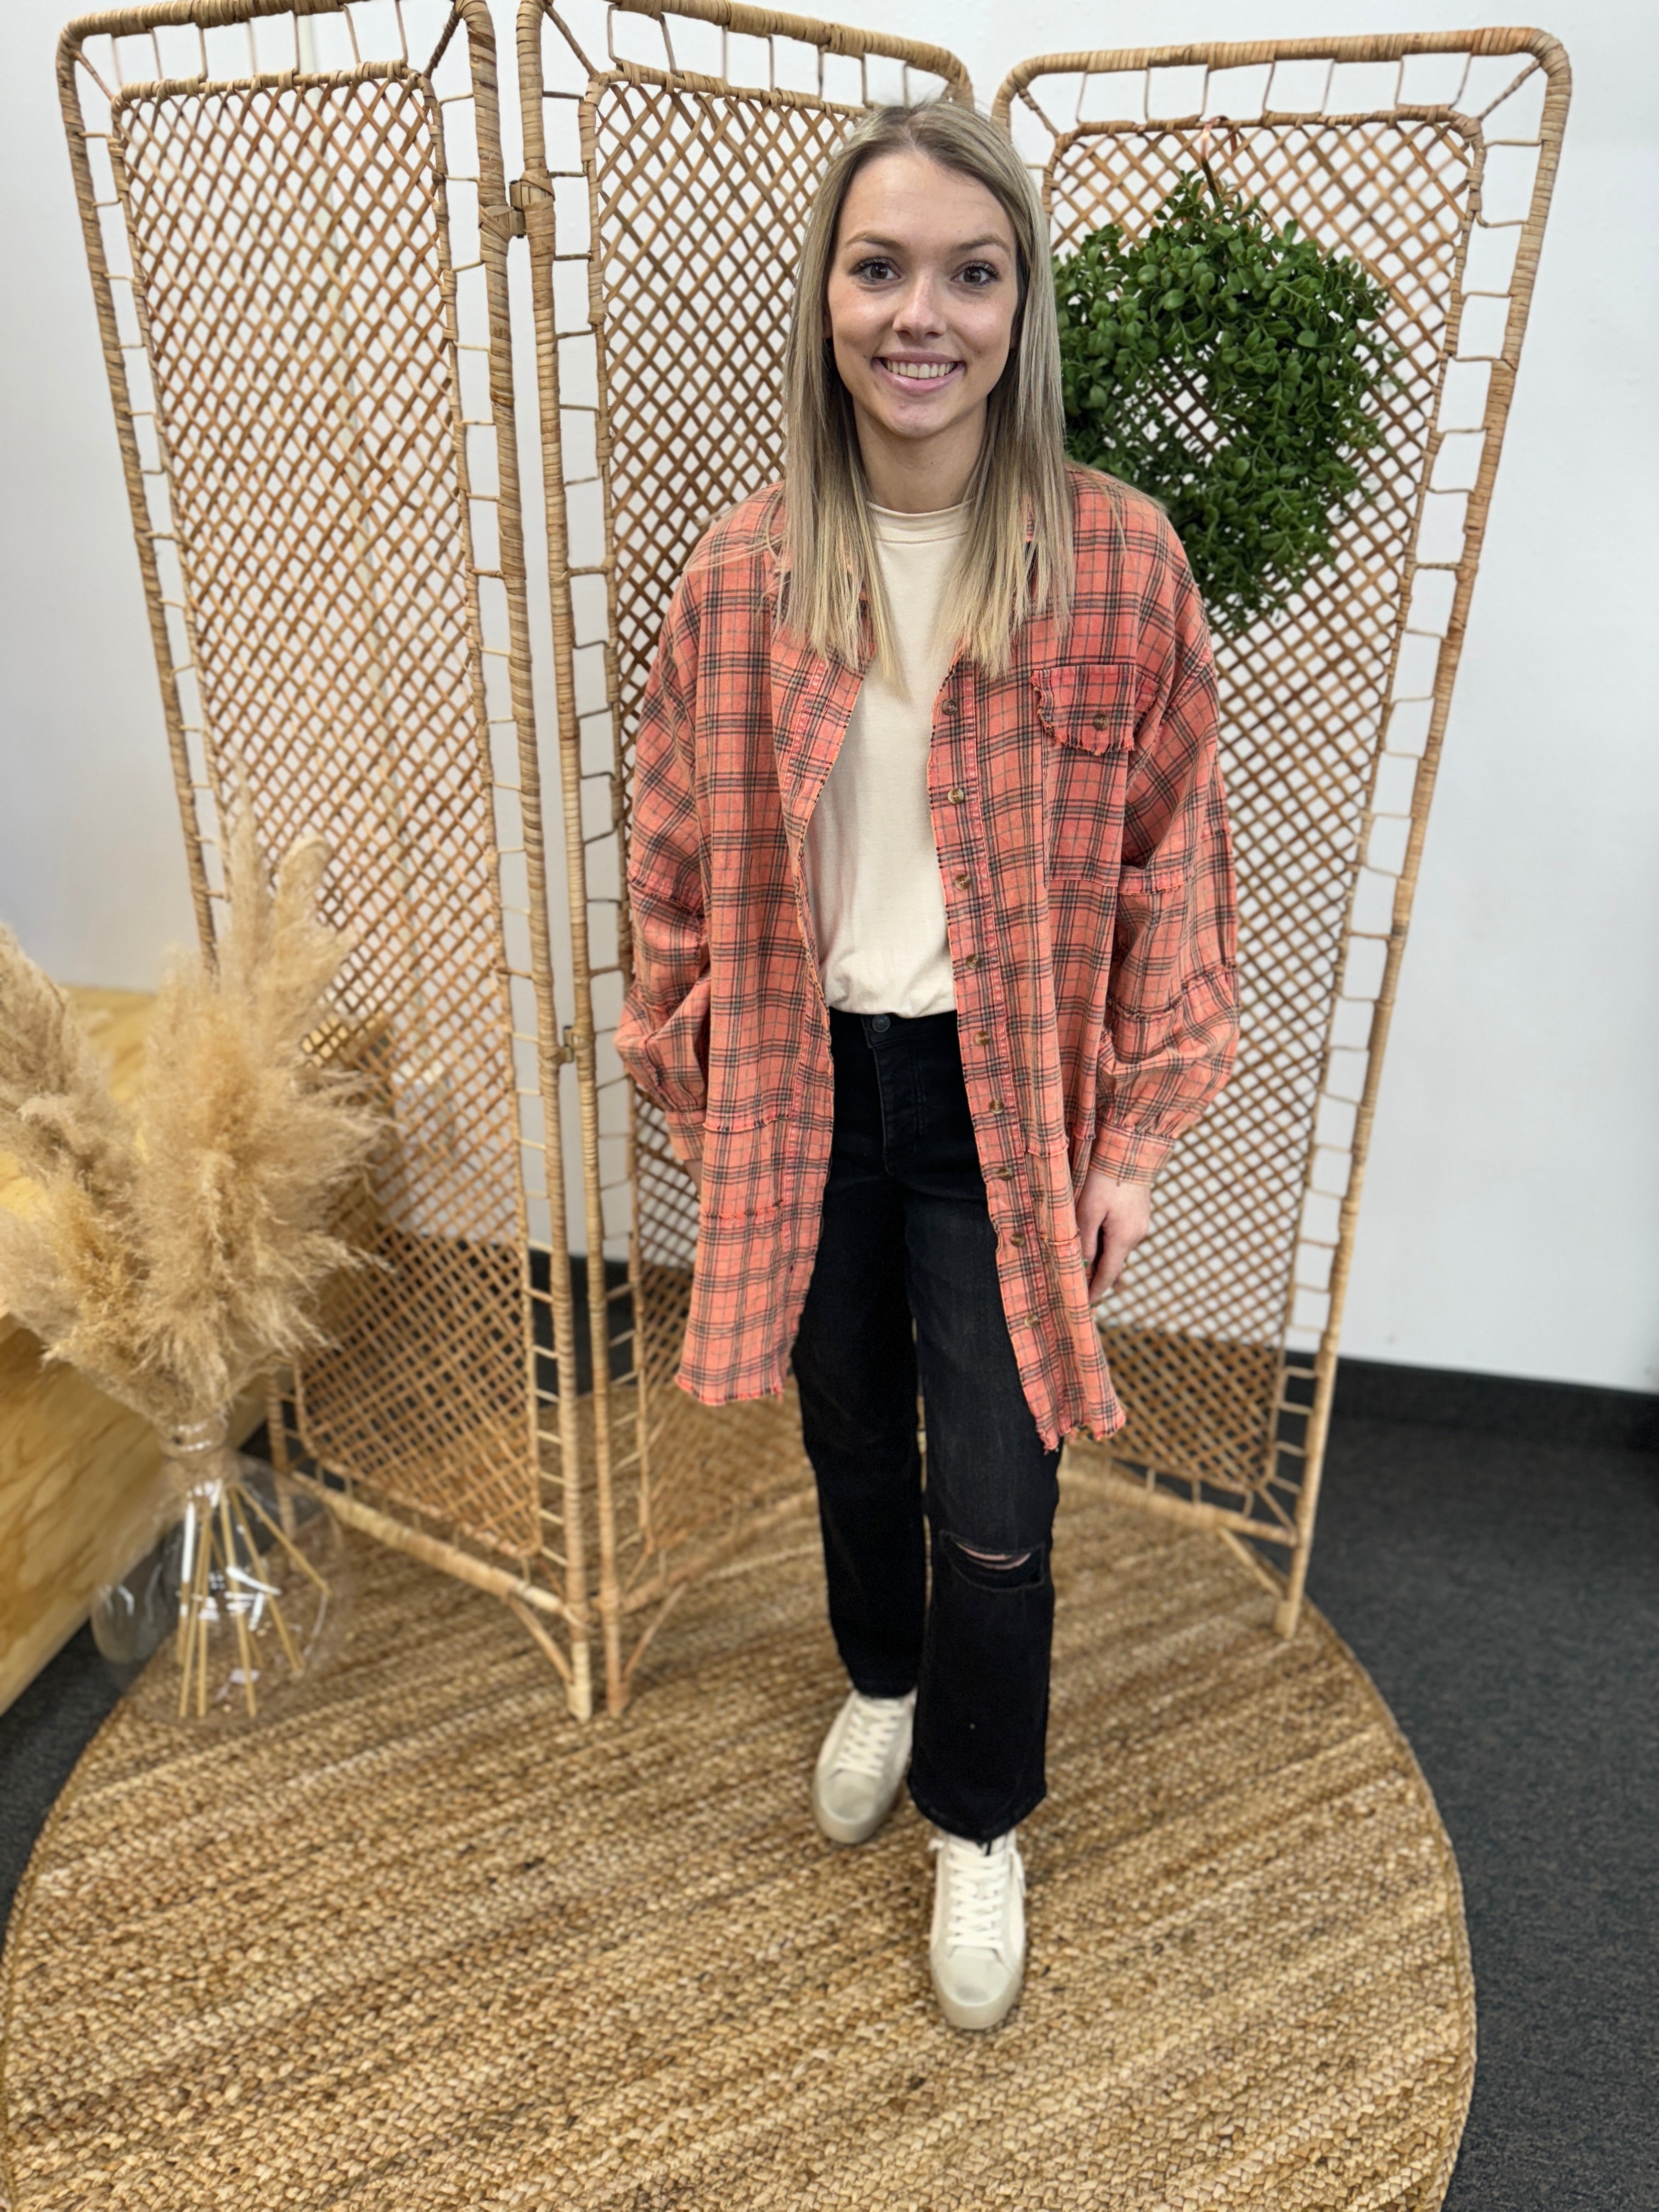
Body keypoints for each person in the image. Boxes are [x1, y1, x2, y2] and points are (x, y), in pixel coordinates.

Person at [616, 101, 1238, 2032]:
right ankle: (880, 1680)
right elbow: (668, 845)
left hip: (997, 1100)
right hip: (811, 1092)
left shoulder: (1118, 563)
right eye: (880, 266)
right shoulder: (741, 577)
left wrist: (1130, 1134)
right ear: (824, 295)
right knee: (844, 1437)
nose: (922, 316)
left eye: (972, 273)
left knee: (998, 1479)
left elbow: (1175, 856)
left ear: (1020, 304)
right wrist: (691, 1067)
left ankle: (983, 1811)